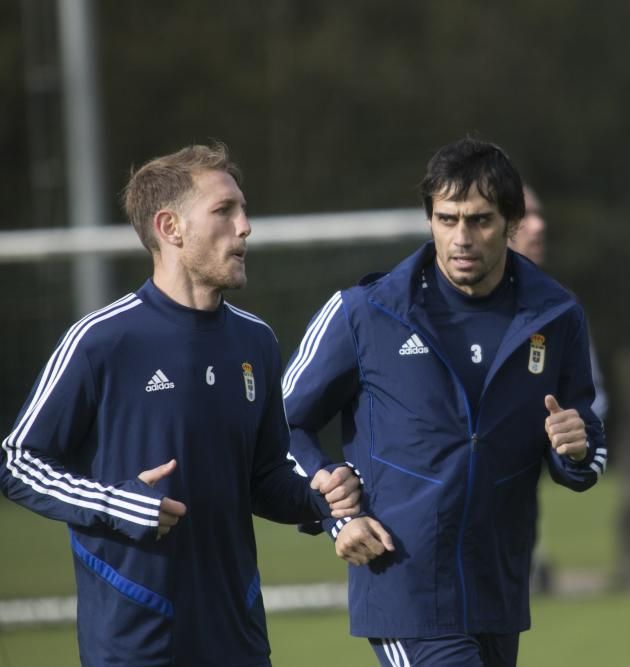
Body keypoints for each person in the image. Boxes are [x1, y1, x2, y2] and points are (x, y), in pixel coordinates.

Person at [0, 143, 360, 667]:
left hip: (238, 635)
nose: (245, 227)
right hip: (136, 640)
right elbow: (16, 461)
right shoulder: (102, 341)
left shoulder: (255, 341)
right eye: (224, 211)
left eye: (242, 209)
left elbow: (263, 477)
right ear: (171, 228)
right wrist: (117, 503)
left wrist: (318, 493)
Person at [282, 137, 608, 667]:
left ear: (512, 222)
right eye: (447, 218)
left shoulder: (557, 315)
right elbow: (277, 425)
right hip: (402, 582)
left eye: (479, 220)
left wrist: (575, 448)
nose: (461, 237)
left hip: (498, 587)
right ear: (430, 218)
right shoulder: (364, 312)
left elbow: (586, 443)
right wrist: (335, 513)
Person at [508, 185, 608, 421]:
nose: (538, 225)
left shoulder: (562, 305)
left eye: (538, 215)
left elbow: (592, 398)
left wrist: (573, 449)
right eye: (523, 215)